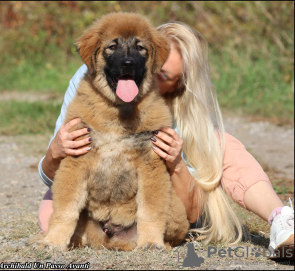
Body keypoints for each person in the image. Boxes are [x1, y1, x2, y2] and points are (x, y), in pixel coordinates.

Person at [38, 21, 294, 256]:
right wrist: (55, 152)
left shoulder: (179, 115)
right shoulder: (93, 78)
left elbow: (190, 212)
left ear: (180, 84)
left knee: (224, 144)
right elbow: (52, 175)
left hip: (158, 203)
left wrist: (176, 164)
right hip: (96, 199)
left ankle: (281, 219)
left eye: (164, 76)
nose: (133, 68)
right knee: (49, 215)